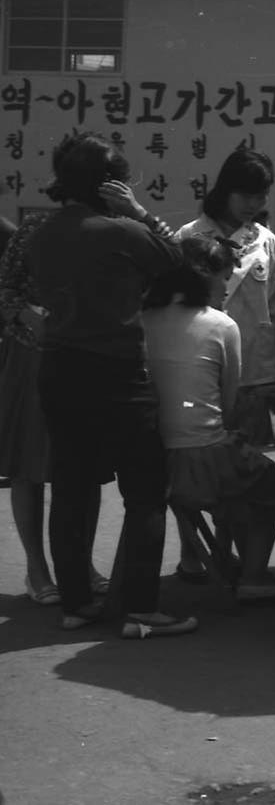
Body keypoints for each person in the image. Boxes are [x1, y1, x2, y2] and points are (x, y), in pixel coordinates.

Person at [26, 132, 197, 638]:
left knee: (73, 489)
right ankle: (142, 606)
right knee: (145, 490)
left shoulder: (41, 233)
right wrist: (138, 210)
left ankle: (76, 604)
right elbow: (173, 257)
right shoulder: (120, 230)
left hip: (59, 368)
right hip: (118, 372)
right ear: (110, 185)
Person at [143, 236, 275, 602]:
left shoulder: (143, 317)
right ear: (205, 278)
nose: (228, 287)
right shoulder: (221, 326)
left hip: (151, 459)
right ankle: (254, 573)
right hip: (204, 459)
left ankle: (202, 558)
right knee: (267, 480)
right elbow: (226, 403)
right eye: (225, 277)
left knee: (233, 468)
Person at [0, 211, 108, 607]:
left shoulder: (111, 229)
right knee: (28, 466)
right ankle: (37, 569)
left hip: (88, 353)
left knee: (88, 467)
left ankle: (82, 565)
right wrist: (27, 314)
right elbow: (6, 289)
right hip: (31, 352)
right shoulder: (31, 229)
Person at [176, 148, 275, 444]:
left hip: (252, 372)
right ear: (226, 190)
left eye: (260, 195)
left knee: (249, 464)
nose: (254, 204)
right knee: (200, 458)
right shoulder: (189, 236)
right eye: (245, 195)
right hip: (198, 367)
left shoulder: (267, 242)